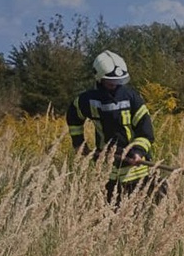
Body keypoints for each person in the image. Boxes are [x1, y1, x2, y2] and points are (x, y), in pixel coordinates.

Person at [67, 50, 166, 204]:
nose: (114, 84)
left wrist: (138, 152)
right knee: (113, 216)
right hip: (109, 170)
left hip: (139, 169)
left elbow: (146, 131)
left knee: (160, 204)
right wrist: (80, 145)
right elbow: (74, 119)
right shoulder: (87, 100)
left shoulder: (132, 98)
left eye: (118, 80)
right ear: (99, 78)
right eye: (110, 80)